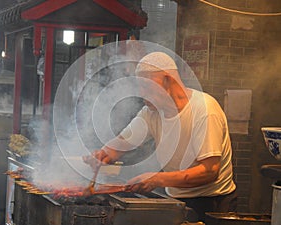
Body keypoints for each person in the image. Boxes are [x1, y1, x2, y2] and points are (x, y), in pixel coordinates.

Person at [84, 51, 237, 222]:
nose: (141, 93)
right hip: (175, 199)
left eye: (146, 86)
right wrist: (102, 155)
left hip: (212, 204)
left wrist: (157, 179)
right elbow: (121, 144)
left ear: (167, 80)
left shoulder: (204, 110)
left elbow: (209, 171)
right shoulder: (151, 112)